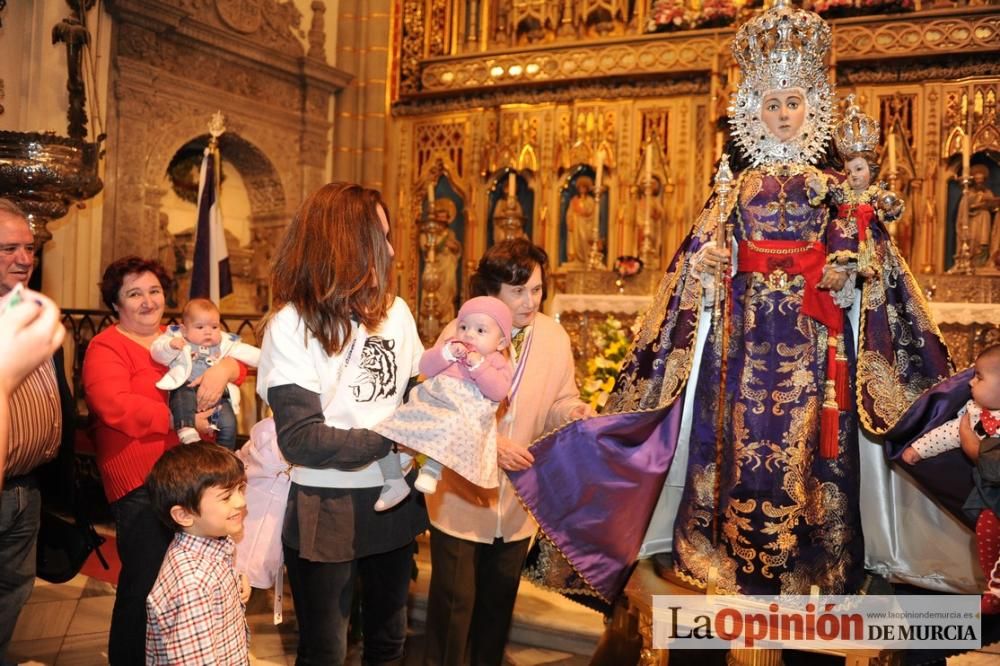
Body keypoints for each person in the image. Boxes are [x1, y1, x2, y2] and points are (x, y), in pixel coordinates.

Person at [509, 0, 961, 609]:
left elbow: (870, 260)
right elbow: (698, 258)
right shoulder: (735, 189)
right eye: (770, 103)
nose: (782, 114)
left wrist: (849, 273)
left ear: (812, 109)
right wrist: (706, 267)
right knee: (737, 446)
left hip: (814, 345)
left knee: (811, 451)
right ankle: (720, 551)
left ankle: (816, 559)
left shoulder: (833, 190)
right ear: (753, 109)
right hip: (742, 347)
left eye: (793, 102)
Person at [256, 182, 427, 665]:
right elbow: (302, 439)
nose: (391, 250)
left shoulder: (396, 314)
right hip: (324, 501)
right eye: (380, 236)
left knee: (388, 642)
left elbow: (415, 400)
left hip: (392, 496)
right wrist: (392, 436)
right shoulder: (291, 326)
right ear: (345, 242)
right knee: (326, 651)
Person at [422, 239, 591, 666]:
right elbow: (435, 406)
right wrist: (490, 444)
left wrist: (574, 411)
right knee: (453, 610)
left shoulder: (553, 337)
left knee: (496, 611)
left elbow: (558, 400)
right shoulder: (463, 333)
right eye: (519, 291)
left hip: (515, 501)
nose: (530, 300)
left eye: (536, 289)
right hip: (460, 495)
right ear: (491, 289)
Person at [82, 256, 247, 665]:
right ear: (115, 303)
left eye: (153, 291)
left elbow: (233, 358)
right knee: (144, 584)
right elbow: (113, 407)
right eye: (134, 293)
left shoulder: (176, 336)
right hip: (140, 480)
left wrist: (224, 369)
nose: (147, 300)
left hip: (188, 479)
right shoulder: (106, 346)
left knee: (184, 584)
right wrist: (183, 419)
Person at [0, 198, 75, 662]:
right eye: (8, 248)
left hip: (28, 489)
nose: (25, 259)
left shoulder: (33, 314)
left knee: (14, 589)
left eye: (29, 248)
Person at [374, 295, 513, 499]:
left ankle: (431, 470)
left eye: (481, 330)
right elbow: (425, 367)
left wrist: (478, 365)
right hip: (431, 401)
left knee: (448, 427)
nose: (469, 335)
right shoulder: (451, 347)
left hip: (462, 412)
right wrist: (446, 354)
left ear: (500, 342)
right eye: (463, 327)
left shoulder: (496, 362)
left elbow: (498, 391)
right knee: (388, 428)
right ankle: (393, 479)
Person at [901, 345, 1000, 613]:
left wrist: (977, 451)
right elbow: (948, 433)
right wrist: (917, 450)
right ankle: (994, 587)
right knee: (987, 529)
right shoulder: (974, 413)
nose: (970, 381)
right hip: (992, 497)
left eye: (979, 377)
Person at [145, 443, 250, 664]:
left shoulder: (213, 543)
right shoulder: (192, 586)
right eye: (226, 496)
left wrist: (236, 580)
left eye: (240, 489)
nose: (241, 501)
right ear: (184, 515)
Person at [150, 297, 260, 449]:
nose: (208, 332)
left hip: (216, 395)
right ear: (184, 329)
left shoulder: (225, 343)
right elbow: (157, 351)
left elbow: (248, 353)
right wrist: (170, 346)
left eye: (214, 327)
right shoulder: (176, 338)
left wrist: (268, 358)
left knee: (229, 424)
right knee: (181, 400)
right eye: (200, 327)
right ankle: (186, 428)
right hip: (187, 385)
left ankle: (225, 454)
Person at [565, 175, 596, 265]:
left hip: (586, 226)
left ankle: (587, 259)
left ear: (587, 189)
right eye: (580, 187)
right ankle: (576, 260)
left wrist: (582, 211)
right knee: (576, 243)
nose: (582, 189)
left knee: (584, 239)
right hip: (576, 225)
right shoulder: (574, 200)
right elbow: (569, 213)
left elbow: (590, 211)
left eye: (584, 187)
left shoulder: (590, 200)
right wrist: (571, 219)